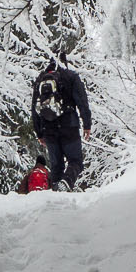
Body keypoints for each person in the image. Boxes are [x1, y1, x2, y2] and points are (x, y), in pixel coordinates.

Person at [30, 58, 92, 191]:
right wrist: (87, 124)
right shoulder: (70, 76)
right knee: (76, 162)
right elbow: (82, 101)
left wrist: (39, 132)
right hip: (69, 126)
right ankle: (66, 183)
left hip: (48, 128)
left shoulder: (40, 80)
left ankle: (57, 197)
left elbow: (34, 109)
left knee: (56, 167)